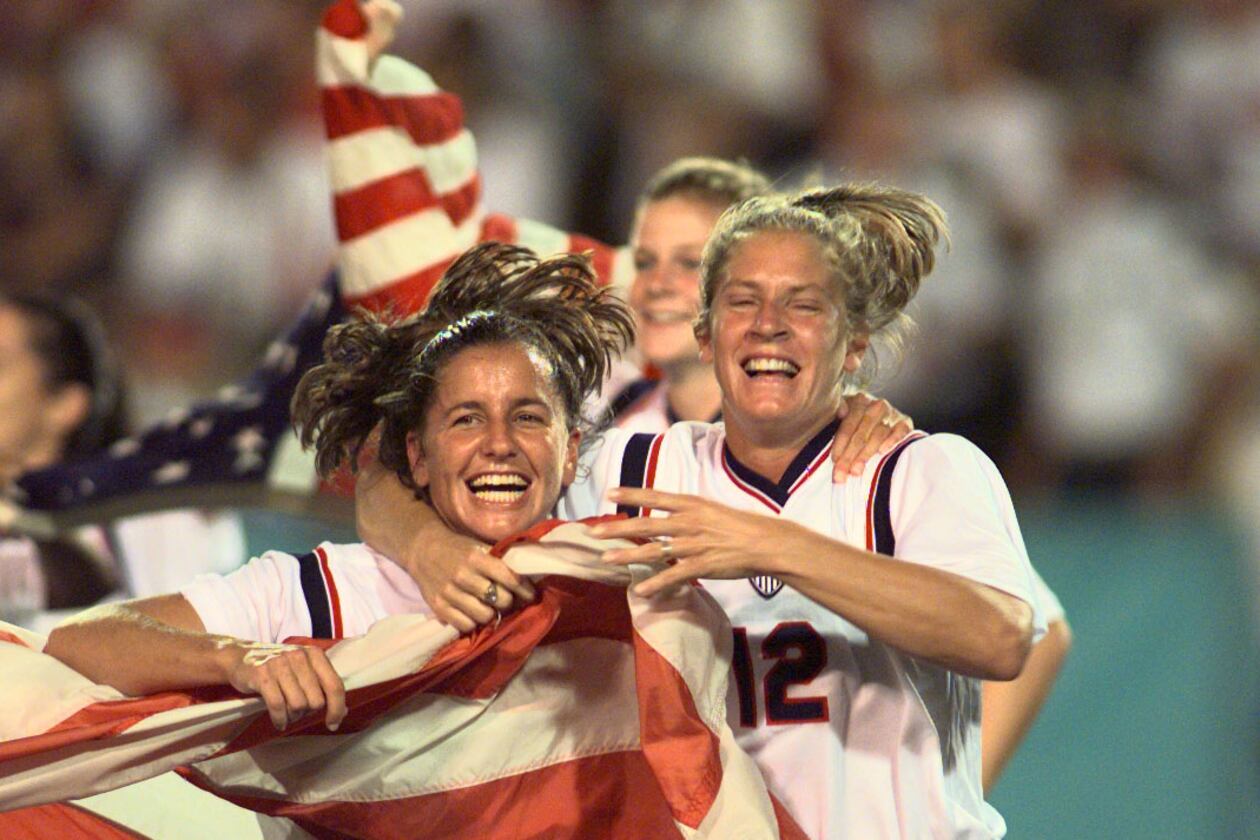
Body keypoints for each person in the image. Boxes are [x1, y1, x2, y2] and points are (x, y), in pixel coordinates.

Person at [361, 183, 1043, 837]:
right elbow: (387, 474)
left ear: (854, 345)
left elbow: (1001, 637)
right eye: (743, 302)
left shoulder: (916, 469)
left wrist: (770, 544)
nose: (769, 326)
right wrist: (430, 547)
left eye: (803, 306)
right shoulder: (631, 471)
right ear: (705, 335)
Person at [43, 241, 635, 735]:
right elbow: (80, 643)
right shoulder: (320, 591)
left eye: (528, 417)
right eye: (466, 419)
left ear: (572, 451)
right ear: (417, 457)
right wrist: (236, 658)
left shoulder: (616, 580)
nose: (499, 442)